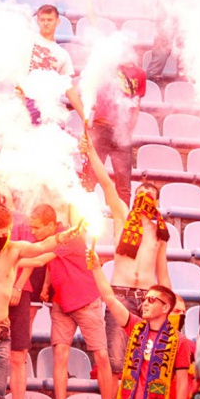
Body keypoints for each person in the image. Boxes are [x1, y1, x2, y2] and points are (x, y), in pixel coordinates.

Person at [0, 186, 80, 399]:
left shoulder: (14, 249)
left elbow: (42, 247)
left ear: (10, 231)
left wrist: (63, 236)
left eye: (4, 234)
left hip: (0, 333)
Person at [81, 134, 171, 379]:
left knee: (145, 360)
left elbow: (163, 274)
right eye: (141, 194)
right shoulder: (123, 216)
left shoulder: (161, 232)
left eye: (150, 195)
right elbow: (106, 184)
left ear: (157, 202)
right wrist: (91, 150)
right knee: (116, 361)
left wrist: (170, 305)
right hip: (120, 294)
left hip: (149, 298)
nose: (145, 198)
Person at [33, 204, 114, 399]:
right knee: (60, 355)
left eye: (36, 227)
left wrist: (13, 260)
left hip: (86, 301)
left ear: (51, 225)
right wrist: (46, 285)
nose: (33, 232)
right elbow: (52, 264)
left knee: (101, 355)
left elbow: (43, 259)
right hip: (61, 302)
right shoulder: (54, 238)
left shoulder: (70, 236)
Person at [89, 251, 188, 399]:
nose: (145, 303)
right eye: (145, 299)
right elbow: (110, 299)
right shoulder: (136, 326)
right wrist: (96, 268)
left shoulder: (180, 341)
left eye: (151, 300)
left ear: (165, 308)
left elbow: (182, 382)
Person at [87, 61, 147, 205]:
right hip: (101, 126)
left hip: (122, 131)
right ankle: (82, 216)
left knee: (124, 184)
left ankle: (122, 218)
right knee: (90, 177)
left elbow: (136, 106)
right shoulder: (108, 63)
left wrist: (128, 132)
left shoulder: (140, 74)